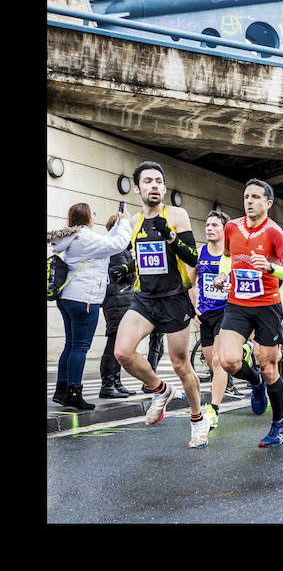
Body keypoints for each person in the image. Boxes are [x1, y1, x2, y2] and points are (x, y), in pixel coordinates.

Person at [113, 162, 208, 448]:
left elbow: (194, 259)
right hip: (145, 298)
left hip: (174, 297)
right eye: (148, 181)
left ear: (164, 188)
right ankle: (160, 390)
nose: (154, 185)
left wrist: (171, 237)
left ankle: (198, 418)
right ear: (138, 188)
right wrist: (126, 271)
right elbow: (145, 262)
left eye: (158, 181)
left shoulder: (176, 215)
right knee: (123, 352)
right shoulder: (133, 224)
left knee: (180, 363)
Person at [212, 178, 283, 446]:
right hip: (237, 303)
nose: (249, 201)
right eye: (246, 196)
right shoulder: (232, 227)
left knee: (269, 365)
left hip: (267, 305)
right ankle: (255, 382)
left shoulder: (274, 233)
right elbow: (227, 256)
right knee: (227, 361)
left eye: (255, 197)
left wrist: (271, 268)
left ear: (268, 203)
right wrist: (223, 274)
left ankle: (279, 424)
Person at [49, 202, 132, 409]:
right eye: (92, 214)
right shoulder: (85, 237)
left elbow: (106, 241)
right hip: (84, 299)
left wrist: (118, 222)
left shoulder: (74, 237)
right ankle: (74, 393)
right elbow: (117, 244)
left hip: (68, 298)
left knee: (70, 345)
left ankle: (62, 391)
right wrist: (125, 223)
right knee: (80, 347)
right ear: (87, 218)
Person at [188, 209, 239, 430]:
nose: (209, 228)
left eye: (215, 225)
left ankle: (214, 410)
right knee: (212, 363)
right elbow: (190, 283)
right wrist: (194, 310)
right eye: (207, 225)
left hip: (227, 312)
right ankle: (247, 370)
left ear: (224, 230)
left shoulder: (233, 255)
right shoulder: (200, 253)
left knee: (218, 361)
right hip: (206, 314)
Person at [98, 214, 138, 399]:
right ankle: (107, 385)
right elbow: (118, 274)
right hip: (116, 301)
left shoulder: (121, 248)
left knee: (119, 344)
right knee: (113, 343)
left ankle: (116, 382)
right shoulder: (114, 248)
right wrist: (133, 267)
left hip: (122, 300)